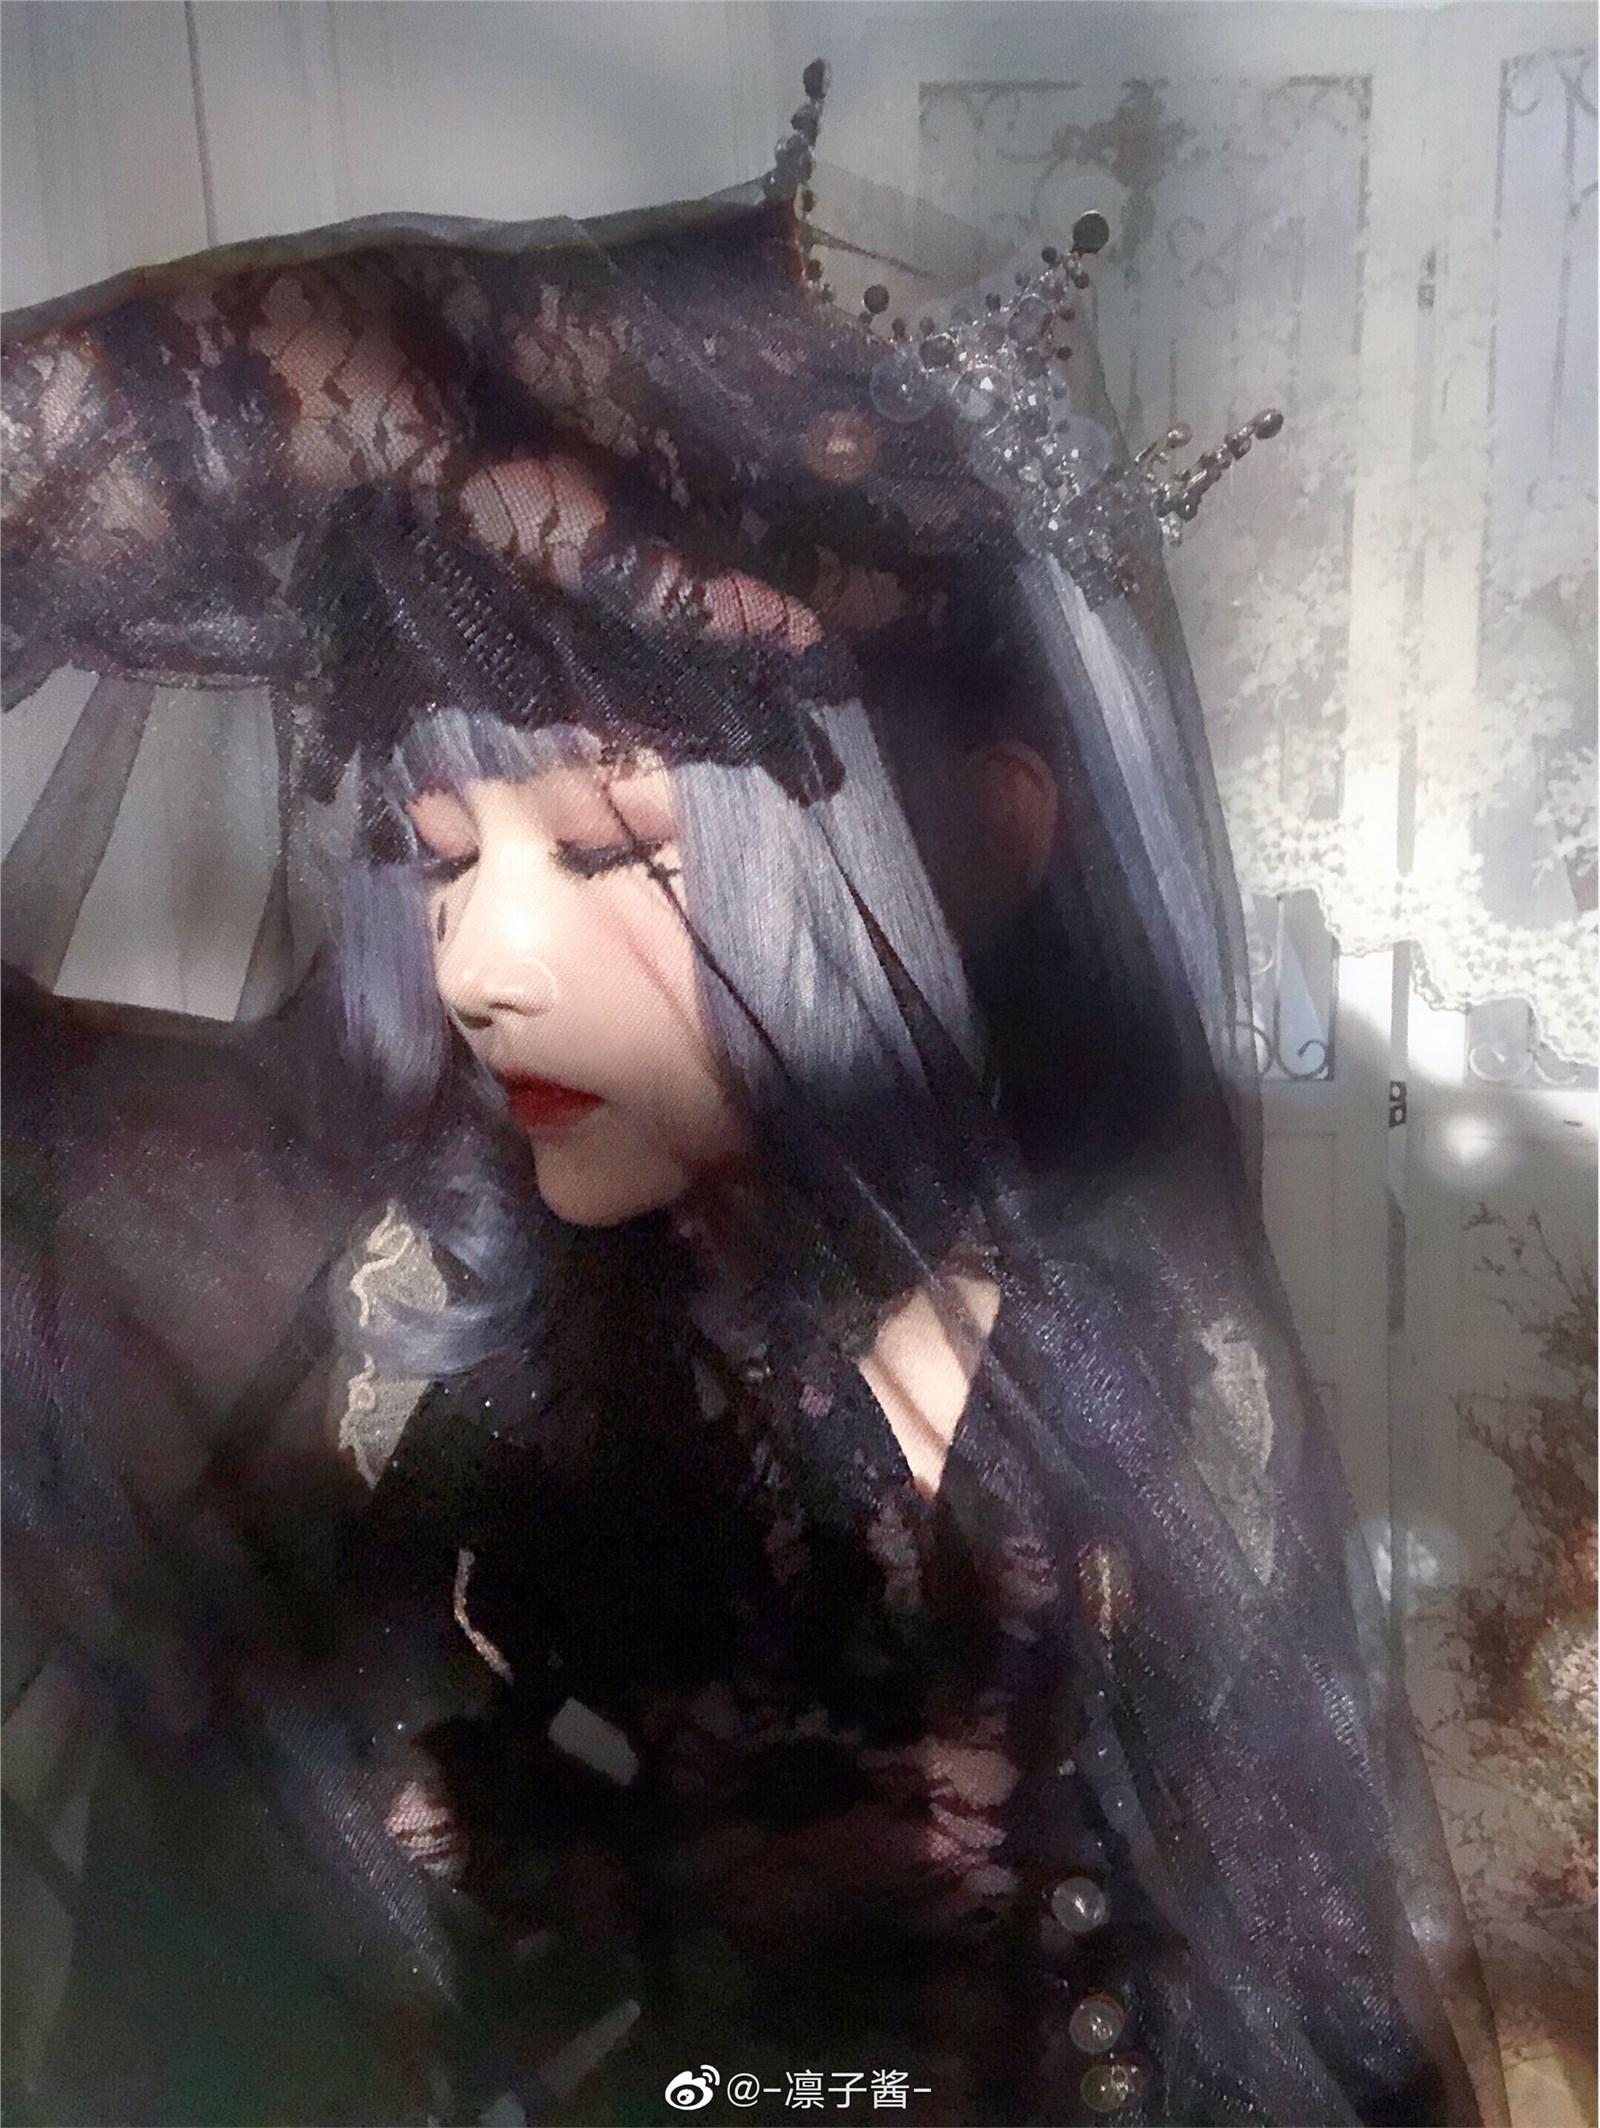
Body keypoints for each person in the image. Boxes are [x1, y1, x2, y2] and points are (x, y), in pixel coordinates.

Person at [1, 66, 1505, 2128]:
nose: (478, 960)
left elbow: (1242, 2010)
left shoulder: (1072, 1384)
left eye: (610, 852)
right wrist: (232, 401)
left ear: (974, 839)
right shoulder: (420, 1297)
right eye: (434, 862)